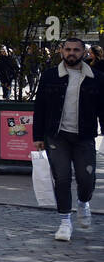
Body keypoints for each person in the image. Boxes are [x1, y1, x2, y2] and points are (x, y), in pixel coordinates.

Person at [33, 37, 103, 243]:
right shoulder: (49, 76)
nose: (71, 53)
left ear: (84, 53)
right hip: (57, 136)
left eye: (76, 50)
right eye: (68, 49)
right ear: (62, 52)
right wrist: (37, 137)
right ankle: (65, 221)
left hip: (84, 136)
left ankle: (83, 203)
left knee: (86, 179)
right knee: (62, 178)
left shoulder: (97, 78)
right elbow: (40, 108)